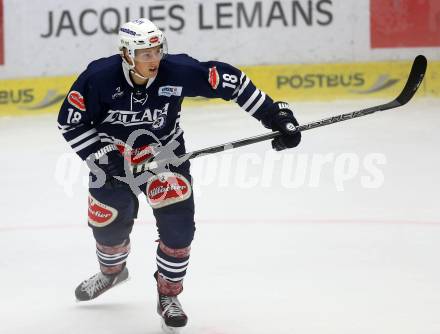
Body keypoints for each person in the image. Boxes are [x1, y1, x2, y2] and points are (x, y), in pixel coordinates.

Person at [57, 18, 301, 333]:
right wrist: (105, 159)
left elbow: (234, 82)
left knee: (178, 226)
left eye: (157, 50)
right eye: (144, 53)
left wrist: (275, 115)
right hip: (113, 162)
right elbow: (70, 123)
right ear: (127, 54)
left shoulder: (178, 71)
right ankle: (112, 271)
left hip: (164, 157)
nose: (153, 59)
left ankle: (168, 295)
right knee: (108, 221)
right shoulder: (98, 78)